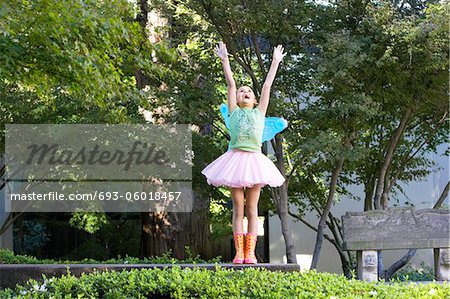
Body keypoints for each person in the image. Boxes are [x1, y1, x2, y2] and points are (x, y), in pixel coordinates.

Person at [201, 41, 286, 264]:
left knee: (252, 208)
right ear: (237, 99)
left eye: (248, 91)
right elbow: (230, 84)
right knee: (238, 207)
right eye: (242, 91)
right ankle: (239, 252)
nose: (244, 92)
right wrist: (224, 59)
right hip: (235, 161)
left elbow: (267, 86)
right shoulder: (233, 113)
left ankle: (250, 253)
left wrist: (275, 62)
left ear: (255, 100)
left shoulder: (259, 113)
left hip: (255, 162)